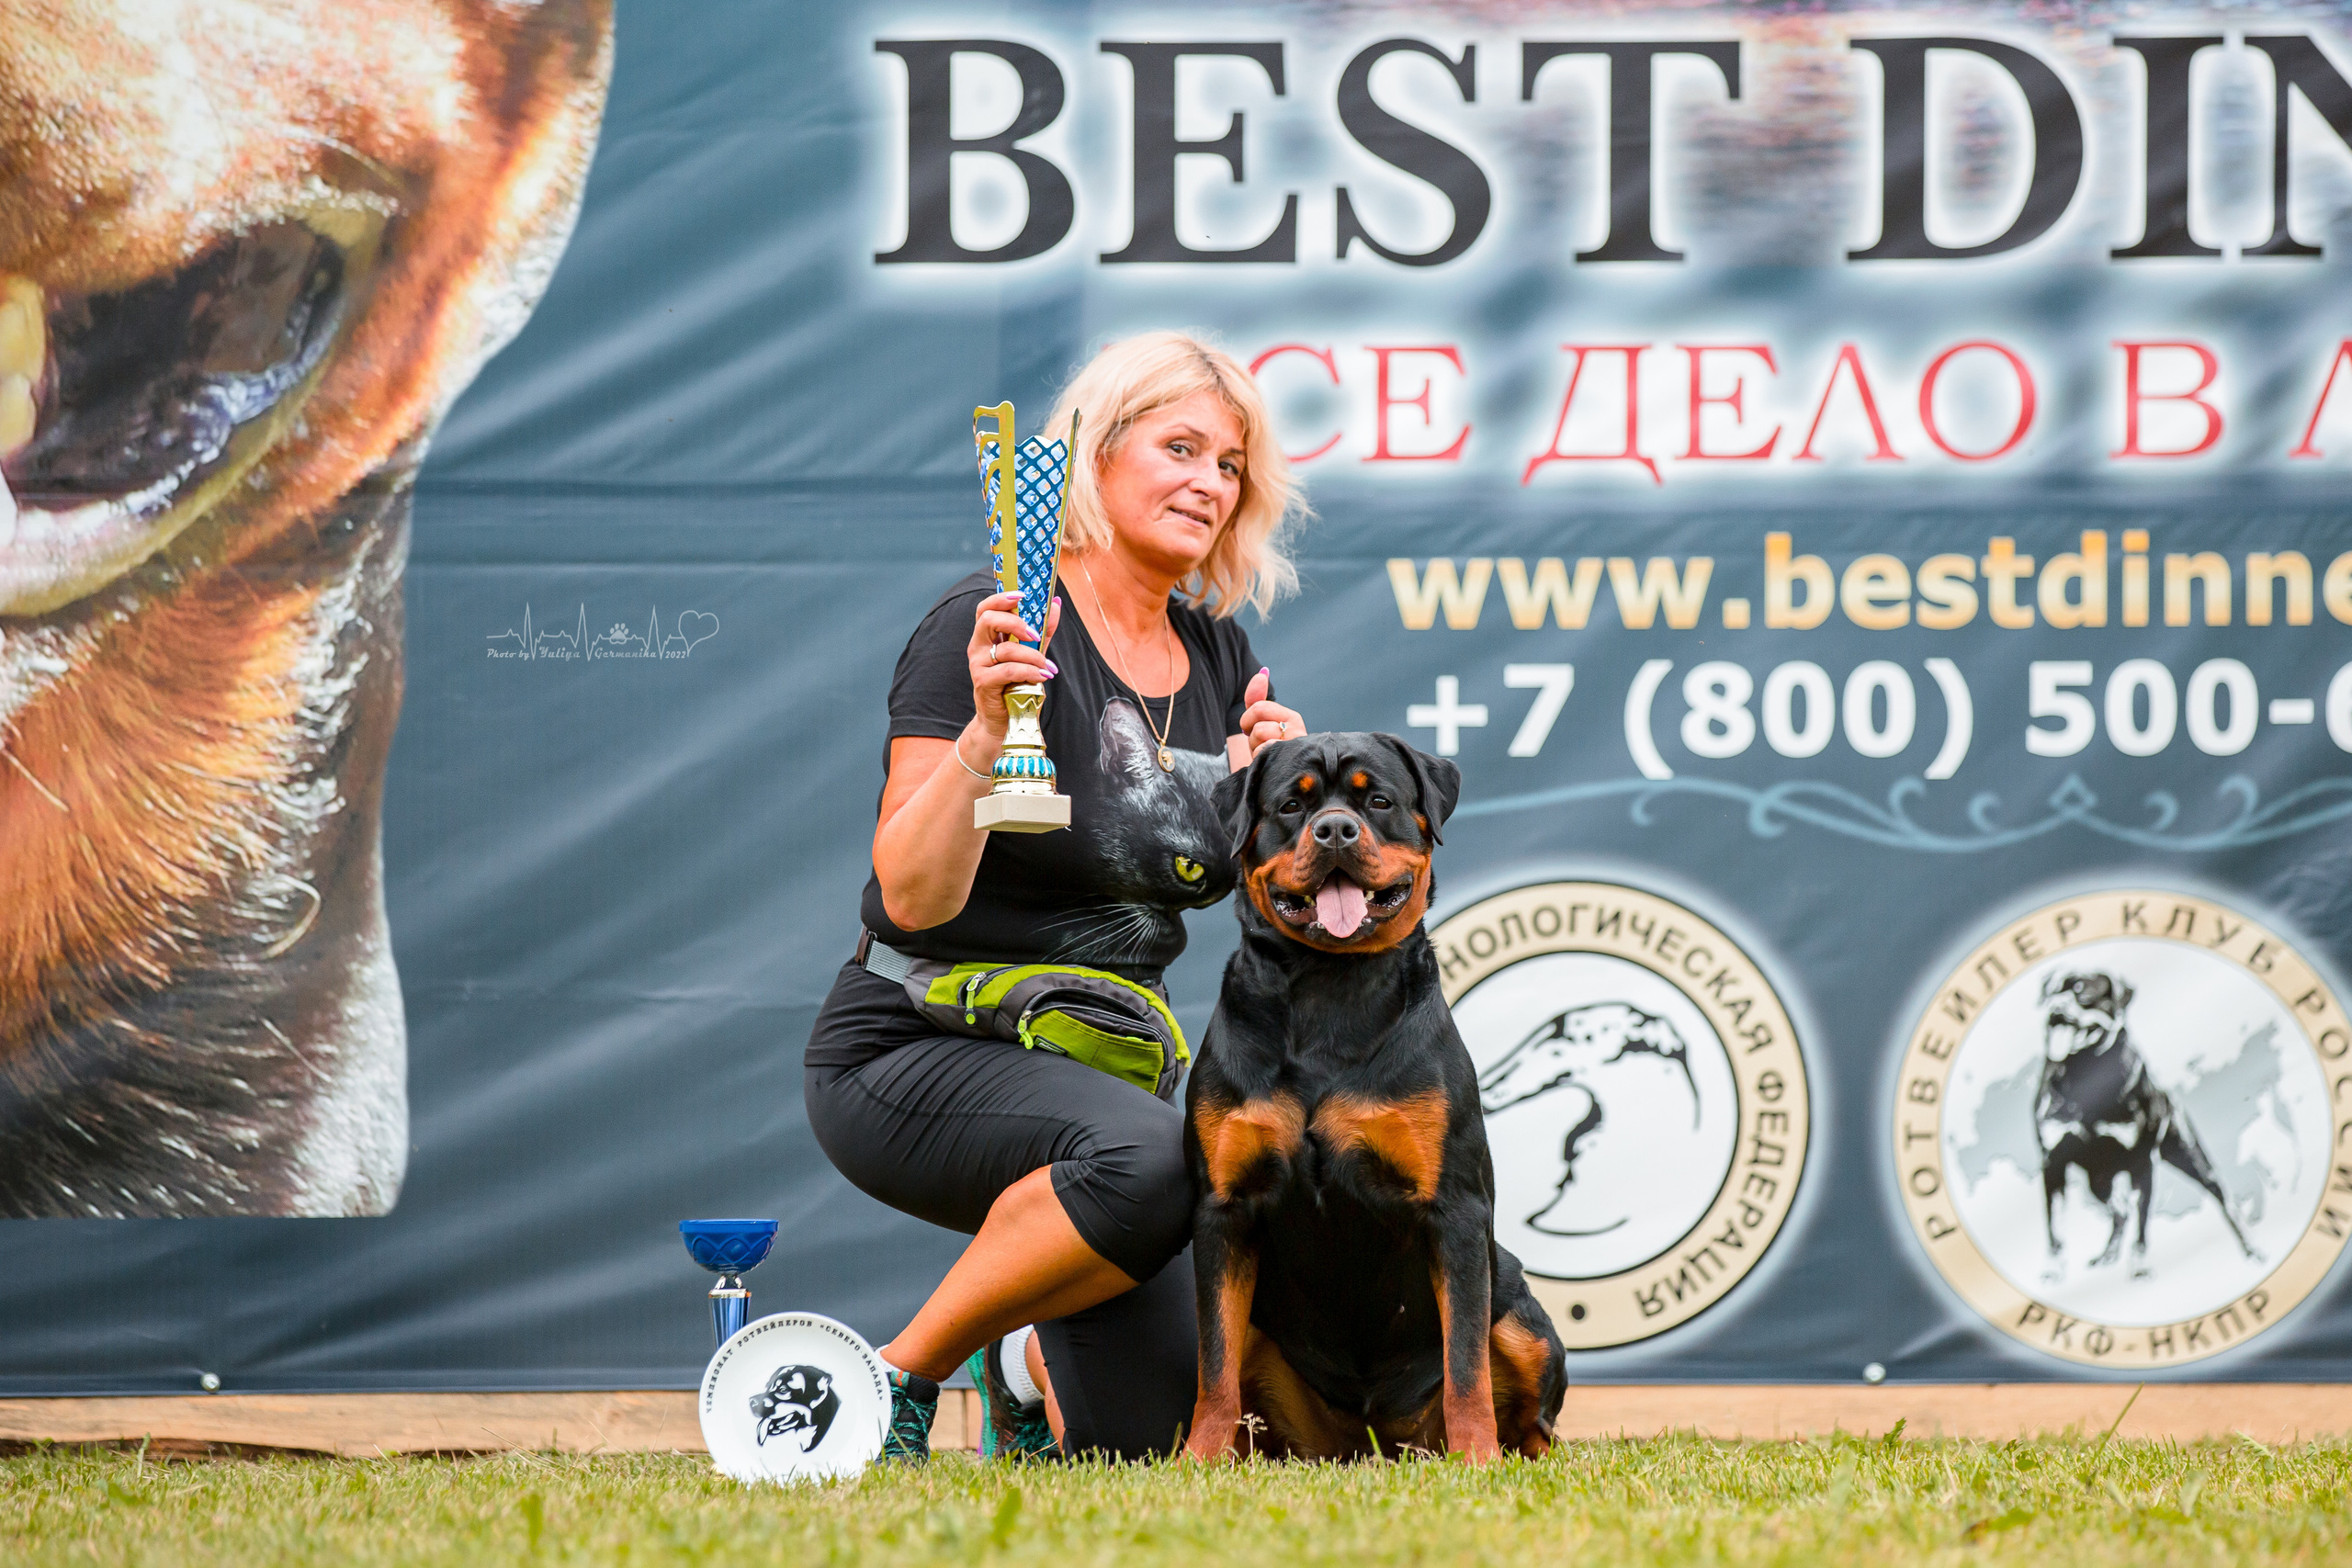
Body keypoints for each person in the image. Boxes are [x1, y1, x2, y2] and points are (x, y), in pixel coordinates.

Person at [802, 331, 1307, 1461]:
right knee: (1161, 1156)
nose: (1208, 484)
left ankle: (1026, 1366)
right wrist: (987, 732)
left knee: (1155, 1438)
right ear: (1094, 456)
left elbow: (1258, 910)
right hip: (914, 1039)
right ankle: (899, 1380)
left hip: (1112, 1067)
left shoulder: (1220, 656)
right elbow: (915, 897)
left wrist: (1279, 799)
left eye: (1230, 466)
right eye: (1180, 447)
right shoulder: (994, 623)